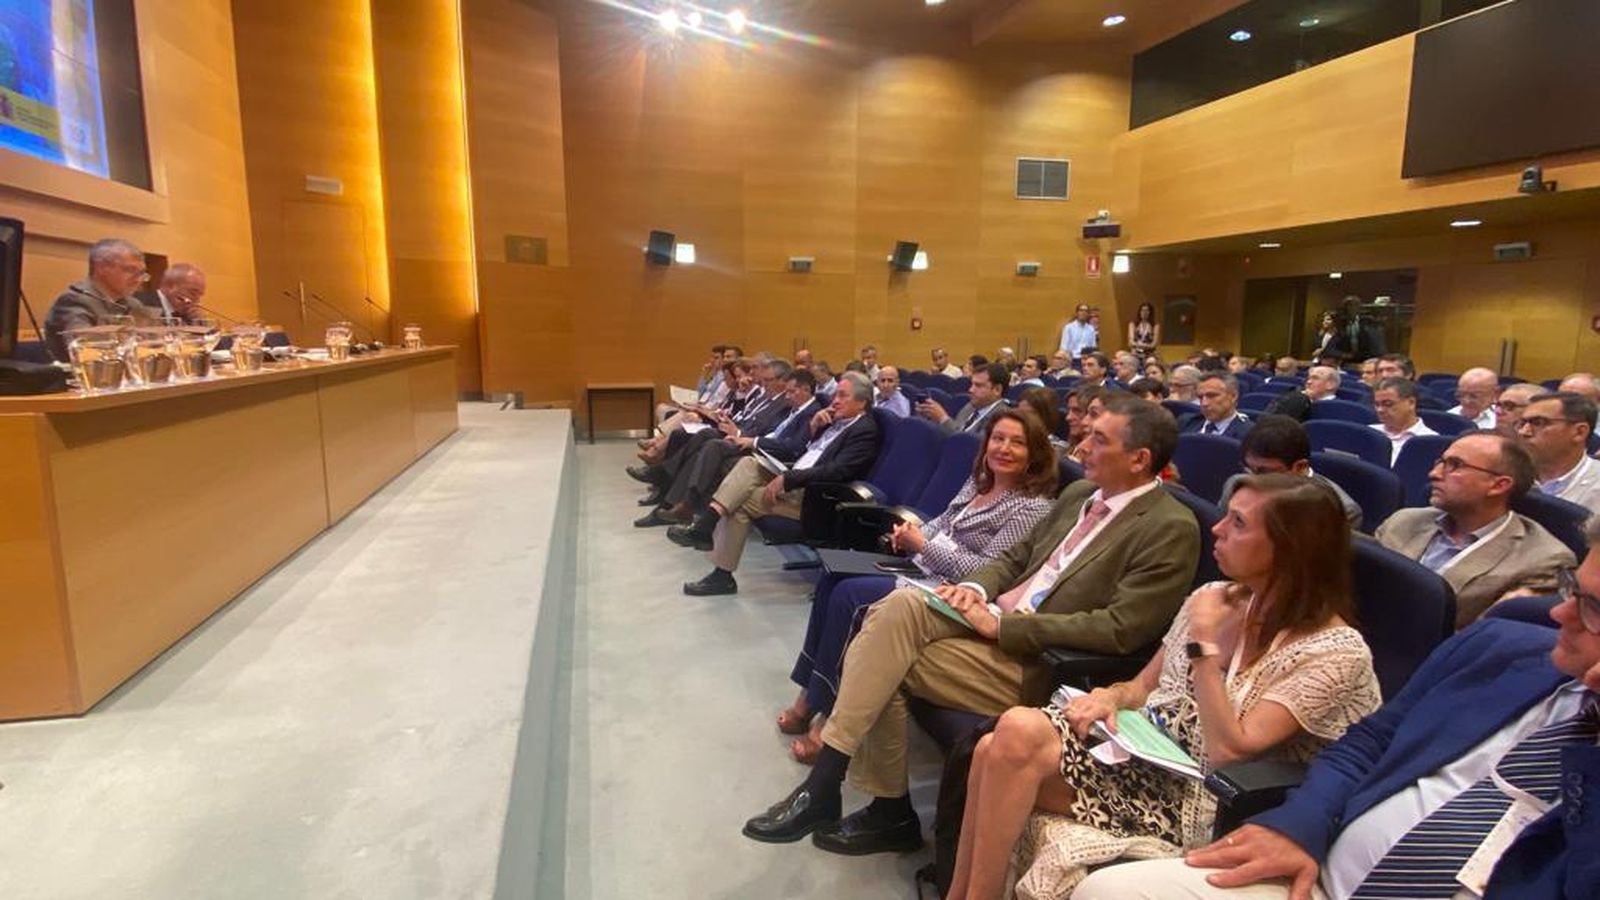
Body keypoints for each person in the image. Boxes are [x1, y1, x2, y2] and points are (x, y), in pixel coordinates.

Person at [741, 396, 1201, 852]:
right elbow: (1016, 556)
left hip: (1038, 658)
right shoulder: (1081, 494)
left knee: (881, 655)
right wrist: (976, 590)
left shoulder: (1170, 527)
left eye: (1099, 439)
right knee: (894, 614)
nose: (1082, 443)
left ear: (1140, 459)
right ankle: (840, 792)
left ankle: (857, 800)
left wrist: (1004, 629)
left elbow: (1121, 629)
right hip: (992, 617)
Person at [1075, 515, 1600, 900]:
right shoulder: (1497, 647)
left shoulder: (1333, 648)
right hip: (1320, 876)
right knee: (1110, 892)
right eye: (1573, 590)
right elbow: (1366, 744)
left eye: (1593, 609)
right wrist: (1303, 824)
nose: (1558, 613)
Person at [949, 474, 1380, 900]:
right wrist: (1108, 697)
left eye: (1238, 523)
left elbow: (1230, 753)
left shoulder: (1335, 651)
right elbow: (1141, 687)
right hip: (1152, 757)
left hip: (1210, 799)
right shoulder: (1215, 596)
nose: (1217, 528)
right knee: (998, 743)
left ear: (1290, 549)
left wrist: (1204, 647)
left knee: (1006, 743)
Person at [779, 409, 1059, 761]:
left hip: (947, 589)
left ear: (1035, 453)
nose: (1003, 448)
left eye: (1017, 443)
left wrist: (924, 546)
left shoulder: (1032, 507)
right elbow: (941, 523)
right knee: (833, 577)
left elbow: (986, 571)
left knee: (851, 597)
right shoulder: (980, 482)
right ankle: (809, 694)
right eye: (998, 439)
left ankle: (827, 718)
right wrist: (910, 535)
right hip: (917, 566)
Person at [670, 373, 881, 595]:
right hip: (795, 477)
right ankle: (708, 522)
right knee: (748, 463)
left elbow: (838, 470)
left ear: (862, 402)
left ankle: (719, 566)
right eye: (835, 394)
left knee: (741, 501)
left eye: (842, 395)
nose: (834, 400)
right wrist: (815, 428)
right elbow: (810, 452)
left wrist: (789, 479)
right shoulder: (834, 420)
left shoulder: (864, 430)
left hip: (814, 497)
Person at [1376, 432, 1573, 627]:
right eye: (1440, 462)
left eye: (1455, 465)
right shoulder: (1403, 521)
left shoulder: (1543, 561)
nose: (1434, 474)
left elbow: (1478, 641)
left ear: (1498, 485)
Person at [639, 369, 816, 526]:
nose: (787, 395)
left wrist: (745, 437)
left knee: (711, 444)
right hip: (749, 440)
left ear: (804, 389)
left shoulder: (804, 410)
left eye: (768, 380)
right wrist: (735, 428)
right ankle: (678, 500)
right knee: (701, 440)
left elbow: (790, 445)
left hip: (766, 454)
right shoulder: (791, 406)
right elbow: (754, 422)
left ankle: (672, 490)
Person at [1220, 415, 1363, 530]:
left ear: (1300, 467)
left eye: (1264, 472)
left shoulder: (1341, 511)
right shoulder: (1236, 484)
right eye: (1248, 469)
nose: (1253, 480)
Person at [42, 238, 160, 361]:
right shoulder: (74, 300)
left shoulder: (133, 304)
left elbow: (155, 342)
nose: (138, 279)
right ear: (102, 268)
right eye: (130, 270)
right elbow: (84, 349)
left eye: (141, 273)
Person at [1520, 391, 1600, 512]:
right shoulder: (1508, 475)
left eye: (1538, 423)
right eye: (1522, 423)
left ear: (1579, 432)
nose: (1523, 432)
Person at [919, 364, 1008, 435]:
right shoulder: (971, 406)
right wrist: (931, 418)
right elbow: (955, 430)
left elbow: (971, 445)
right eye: (972, 384)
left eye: (978, 385)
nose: (970, 390)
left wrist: (942, 418)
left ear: (997, 390)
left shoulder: (1003, 417)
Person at [1368, 377, 1436, 464]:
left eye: (1388, 404)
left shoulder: (1430, 440)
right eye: (1377, 404)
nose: (1380, 410)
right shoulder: (1370, 432)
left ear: (1411, 403)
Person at [1183, 374, 1254, 439]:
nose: (1204, 403)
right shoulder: (1187, 422)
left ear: (1233, 396)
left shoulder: (1249, 434)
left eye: (1212, 396)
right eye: (1200, 397)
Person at [135, 263, 207, 323]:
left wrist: (200, 323)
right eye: (193, 293)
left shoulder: (189, 316)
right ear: (170, 286)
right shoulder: (138, 304)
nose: (197, 301)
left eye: (199, 295)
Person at [1266, 366, 1340, 421]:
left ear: (1331, 385)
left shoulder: (1339, 408)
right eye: (1308, 378)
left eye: (1315, 378)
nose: (1308, 382)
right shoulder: (1296, 399)